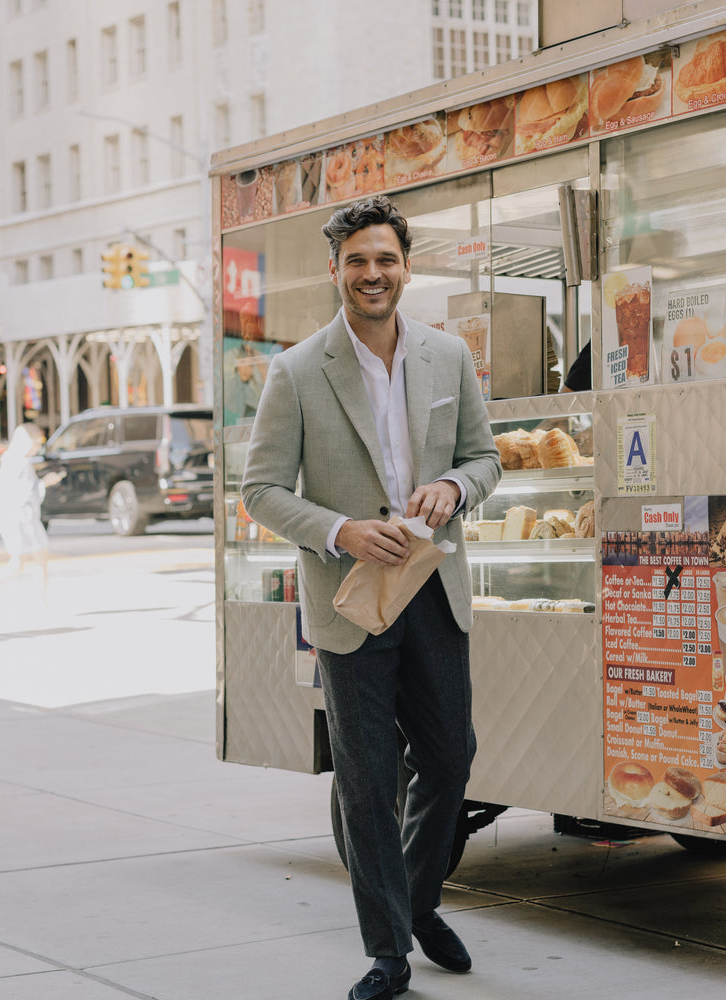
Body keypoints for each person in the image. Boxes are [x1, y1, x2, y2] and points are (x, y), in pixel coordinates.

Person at [242, 195, 502, 1000]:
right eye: (356, 261)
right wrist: (342, 530)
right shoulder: (295, 370)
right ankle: (388, 950)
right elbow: (259, 489)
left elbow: (485, 457)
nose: (372, 273)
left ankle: (417, 902)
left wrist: (455, 489)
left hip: (433, 587)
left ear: (406, 268)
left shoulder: (447, 356)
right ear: (336, 272)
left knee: (450, 758)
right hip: (349, 597)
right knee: (366, 776)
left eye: (384, 259)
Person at [0, 423, 58, 607]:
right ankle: (41, 603)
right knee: (33, 561)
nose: (38, 447)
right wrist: (45, 483)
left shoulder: (10, 459)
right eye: (36, 443)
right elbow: (26, 495)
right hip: (23, 519)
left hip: (15, 518)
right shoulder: (20, 463)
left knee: (23, 563)